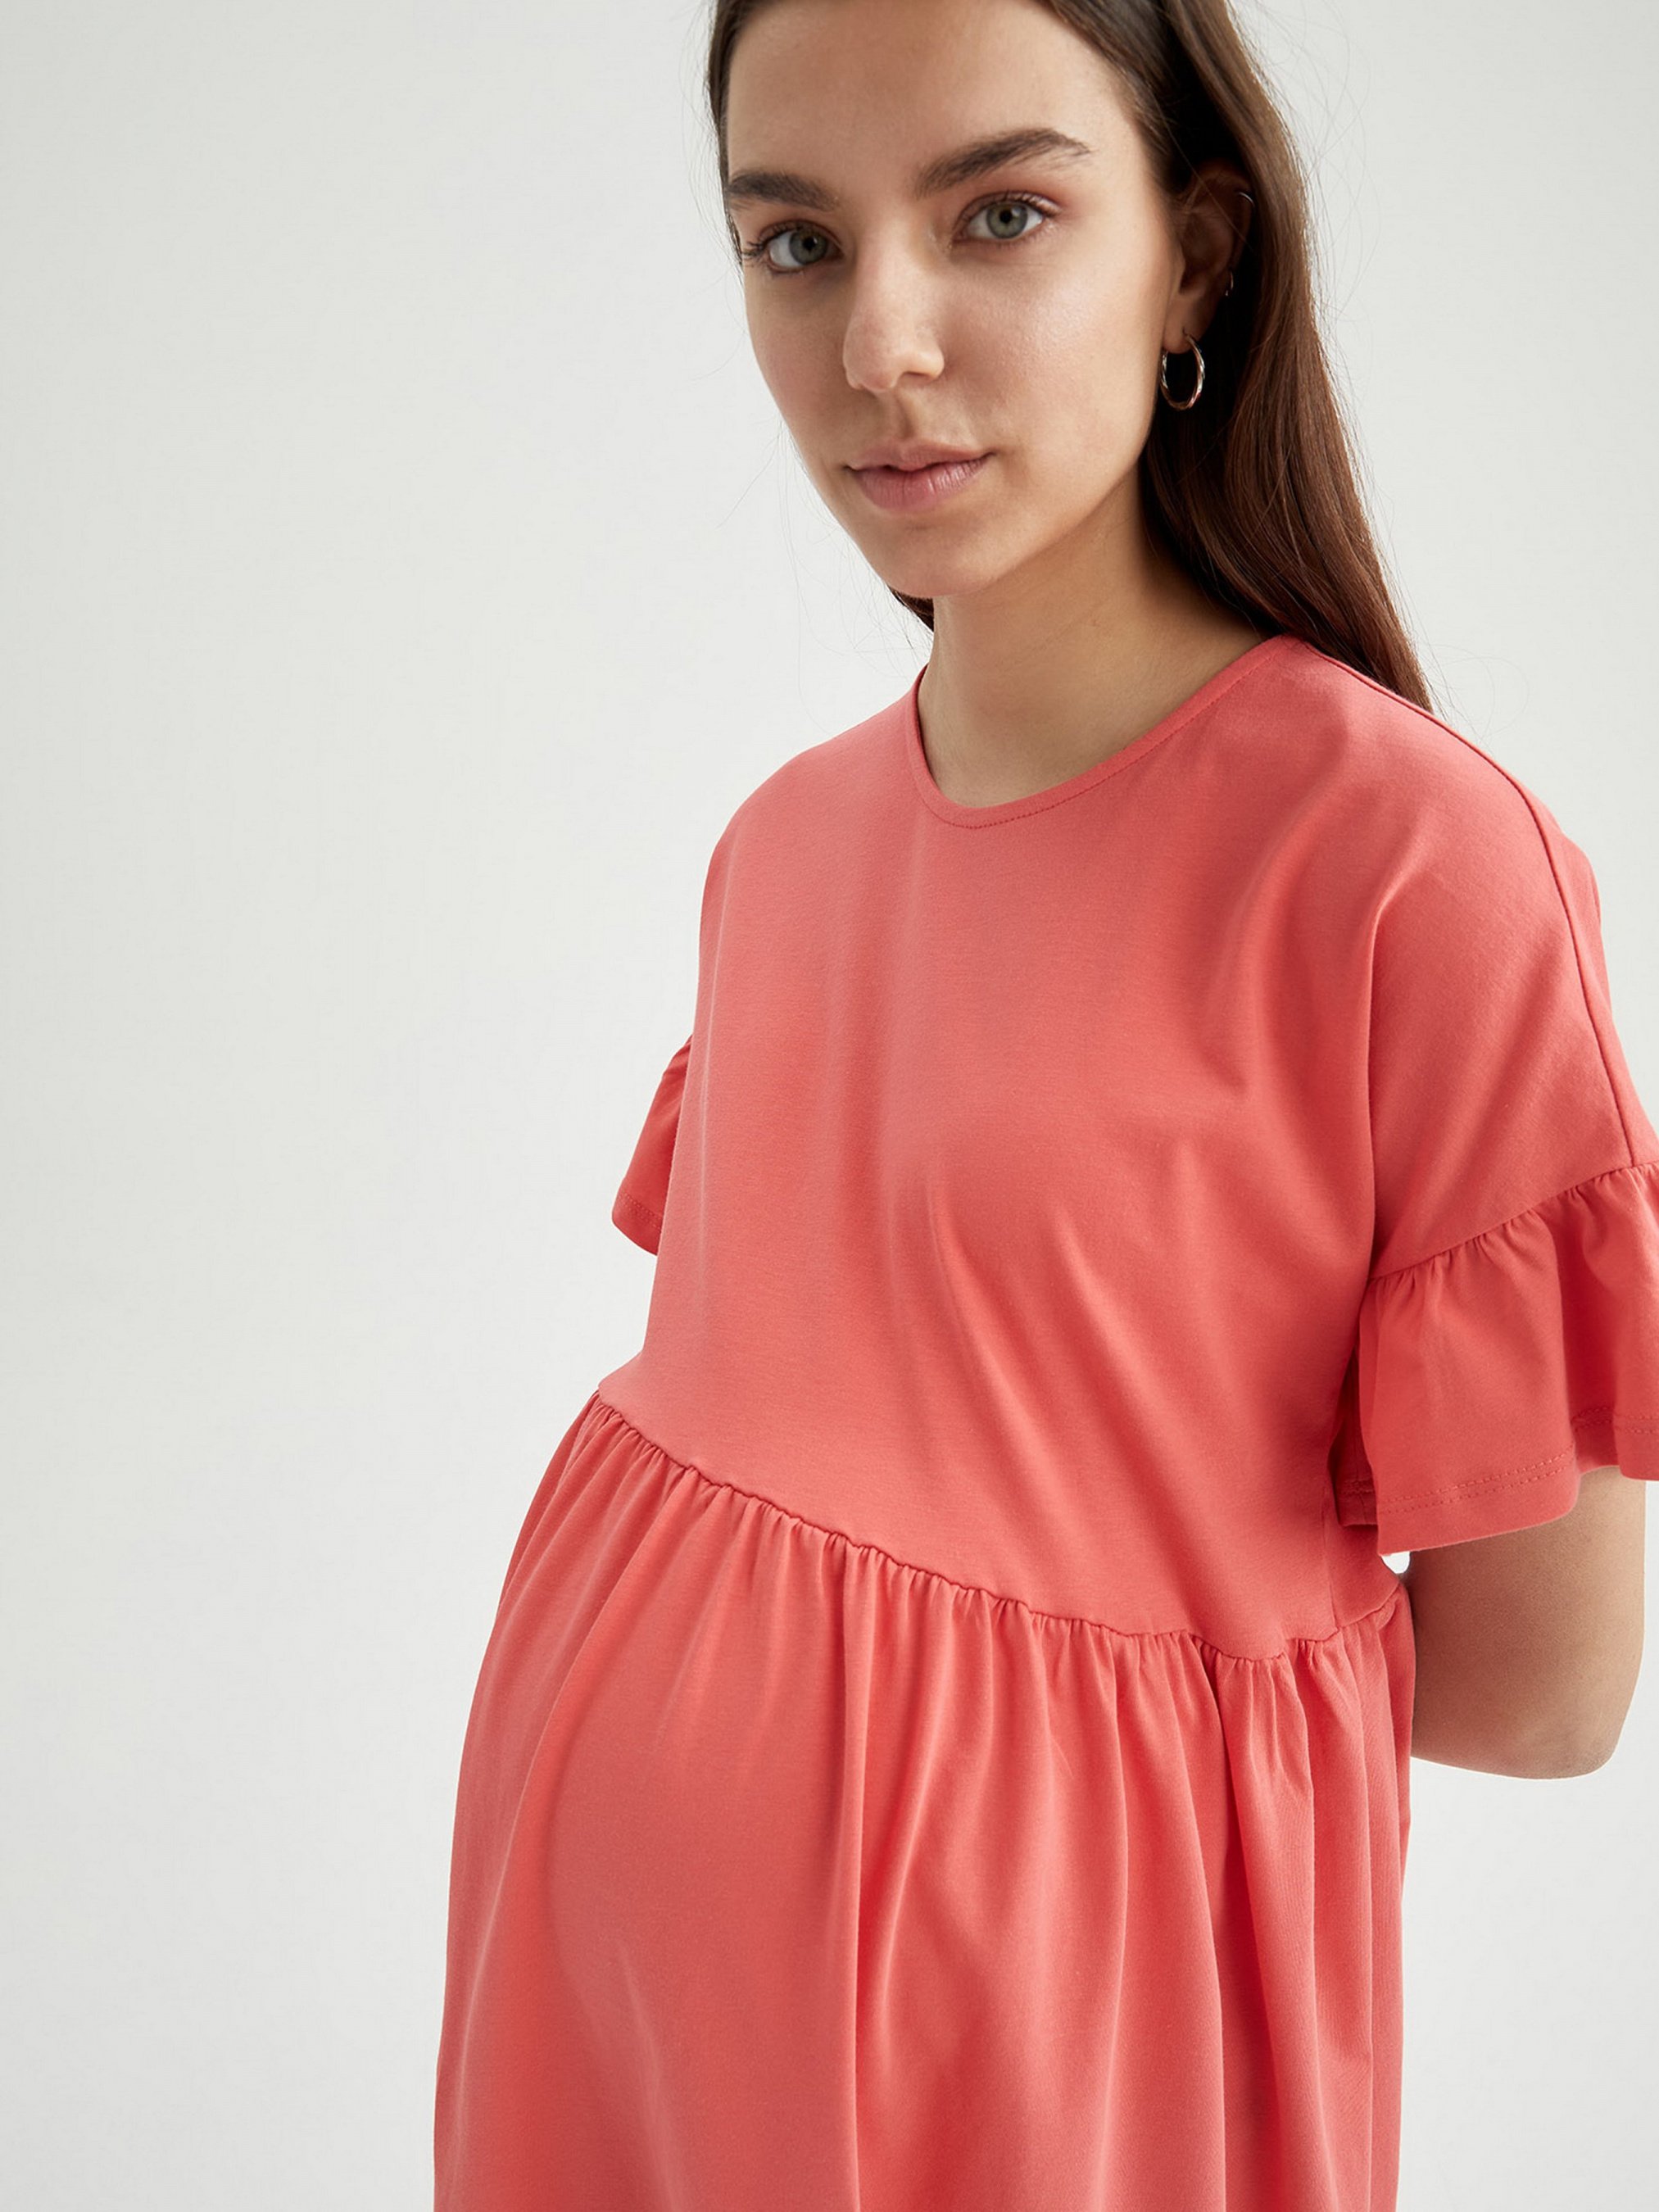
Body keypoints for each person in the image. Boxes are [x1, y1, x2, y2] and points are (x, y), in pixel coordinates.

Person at [433, 2, 1659, 2205]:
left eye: (997, 215)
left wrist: (991, 1766)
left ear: (1196, 257)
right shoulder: (782, 846)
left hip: (1044, 2037)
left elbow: (1541, 1690)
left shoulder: (1409, 872)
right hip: (608, 1976)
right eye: (794, 243)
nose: (878, 345)